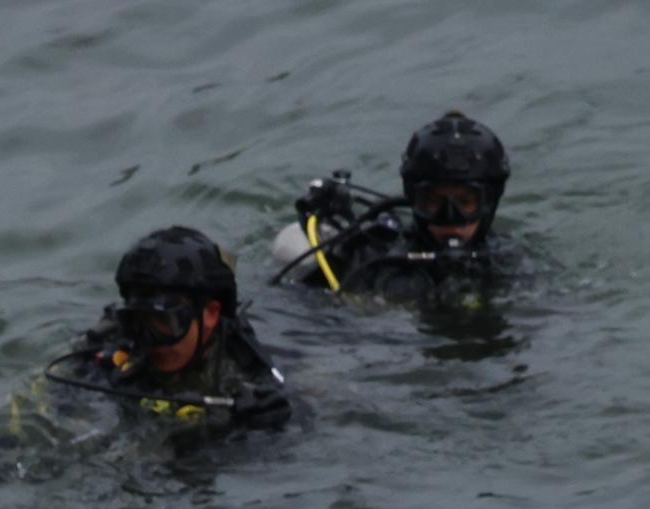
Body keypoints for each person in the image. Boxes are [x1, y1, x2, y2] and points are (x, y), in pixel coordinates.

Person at [46, 226, 290, 436]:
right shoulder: (108, 350)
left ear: (210, 314)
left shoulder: (250, 364)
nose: (150, 340)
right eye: (136, 319)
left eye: (166, 320)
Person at [274, 112, 511, 296]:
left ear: (490, 202)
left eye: (466, 203)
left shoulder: (509, 265)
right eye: (433, 202)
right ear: (413, 198)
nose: (450, 217)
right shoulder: (371, 261)